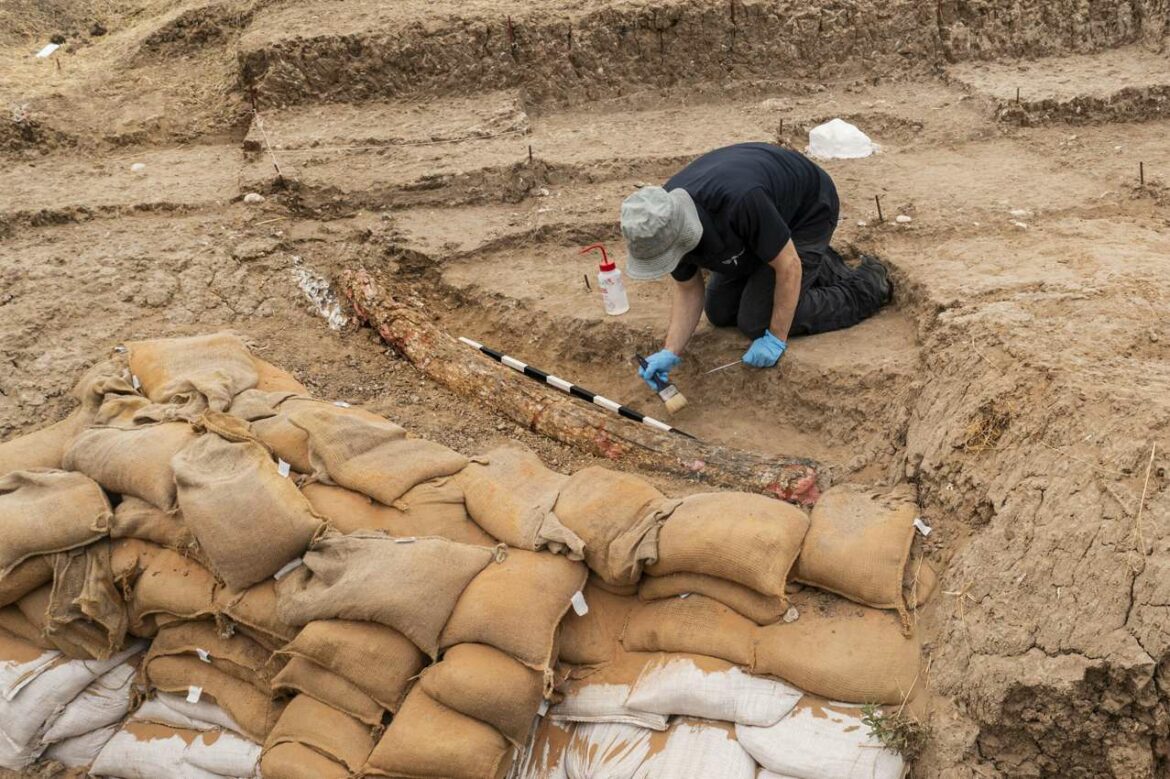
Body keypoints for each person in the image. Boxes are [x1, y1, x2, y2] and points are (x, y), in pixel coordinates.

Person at [619, 142, 891, 390]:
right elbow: (688, 289)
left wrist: (776, 338)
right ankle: (806, 258)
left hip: (805, 211)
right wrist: (671, 351)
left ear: (683, 234)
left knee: (755, 320)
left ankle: (866, 286)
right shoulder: (659, 223)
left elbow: (788, 266)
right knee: (719, 311)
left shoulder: (737, 201)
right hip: (757, 223)